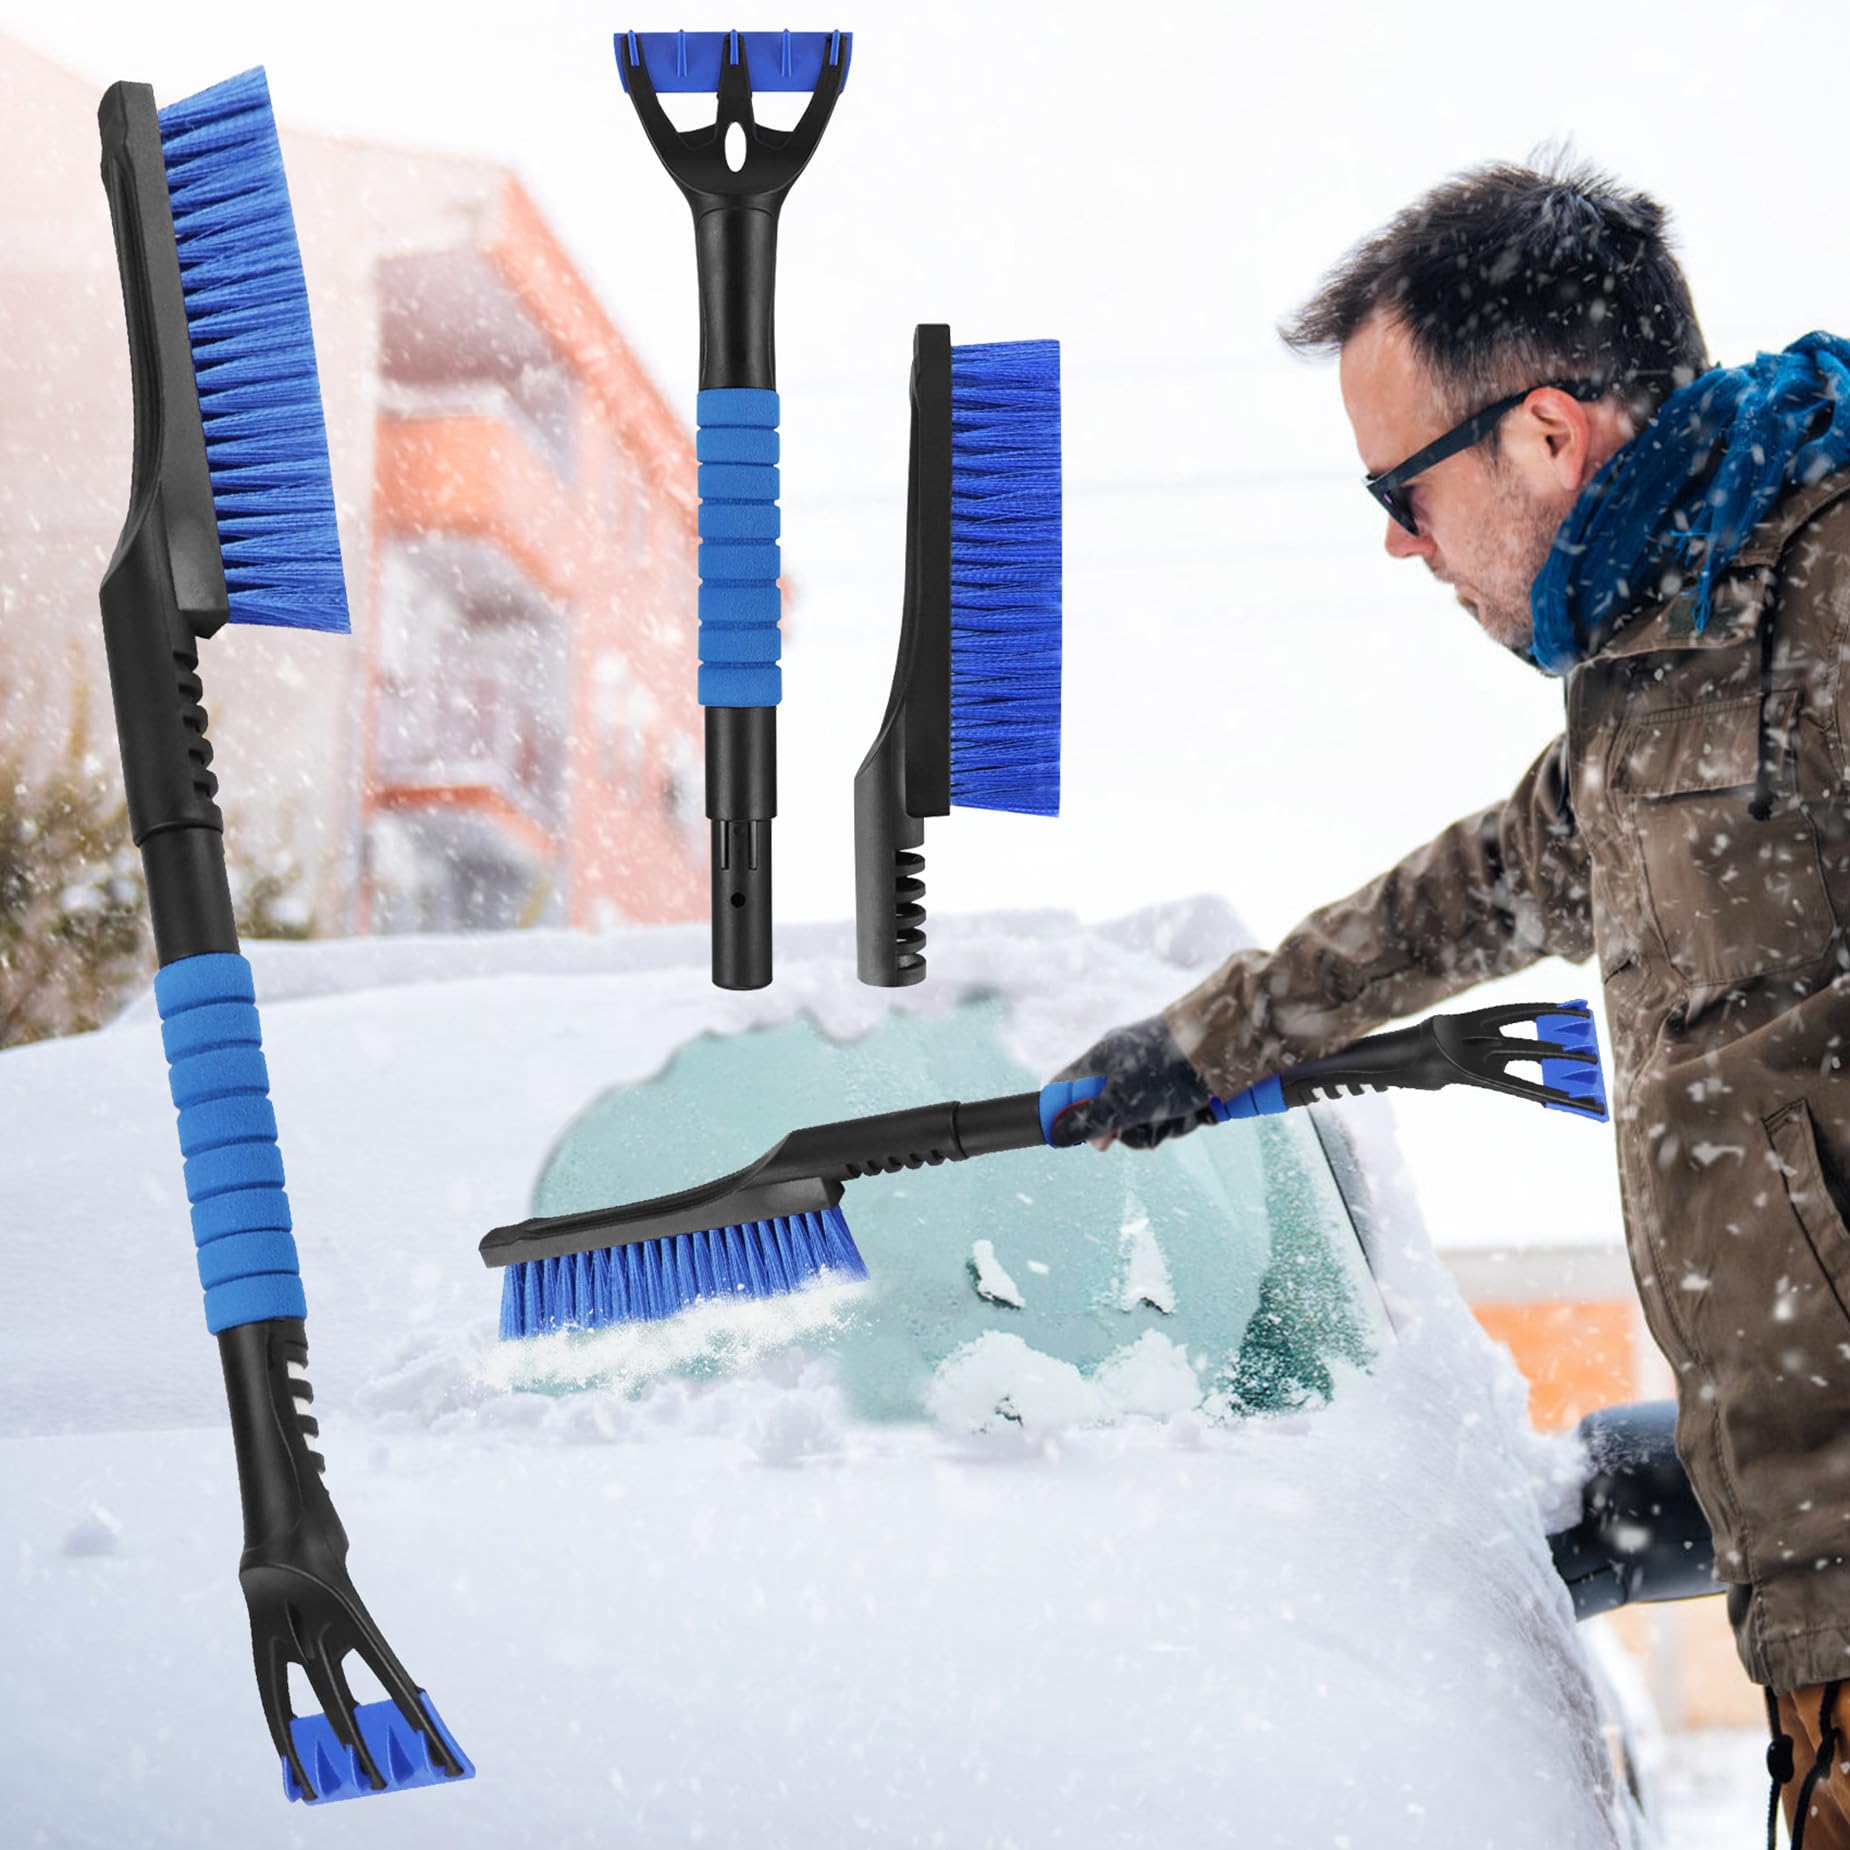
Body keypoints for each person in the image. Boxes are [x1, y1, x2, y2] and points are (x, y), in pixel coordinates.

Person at [1050, 159, 1850, 1847]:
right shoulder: (1653, 688)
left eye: (1402, 492)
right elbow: (1471, 889)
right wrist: (1202, 1043)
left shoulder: (1825, 593)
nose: (1396, 546)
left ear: (1548, 437)